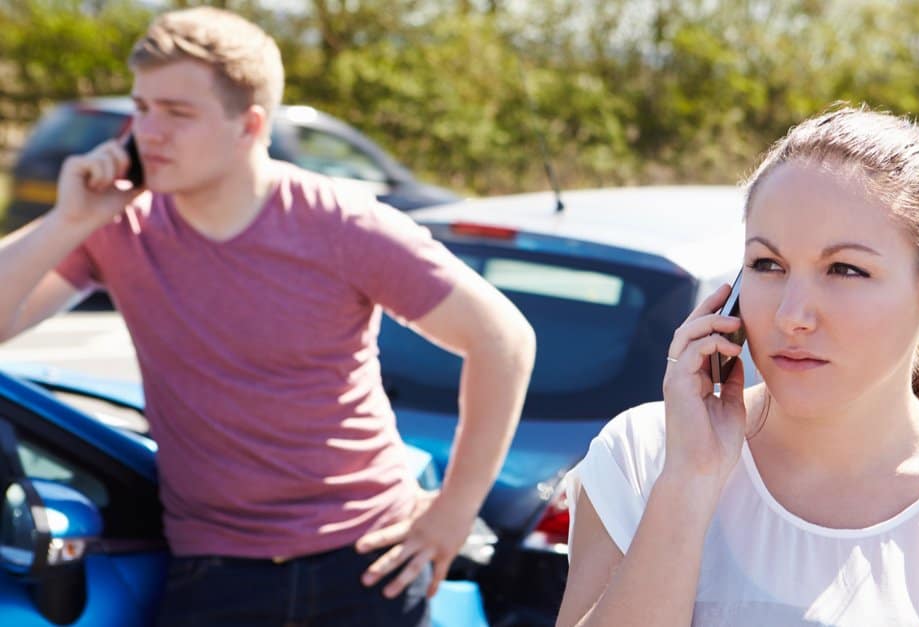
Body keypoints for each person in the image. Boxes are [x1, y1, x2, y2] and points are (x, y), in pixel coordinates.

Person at [0, 7, 535, 626]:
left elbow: (503, 340)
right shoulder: (121, 224)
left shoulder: (339, 223)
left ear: (249, 126)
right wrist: (69, 221)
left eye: (177, 113)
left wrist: (455, 511)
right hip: (217, 572)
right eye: (142, 108)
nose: (148, 132)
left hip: (366, 563)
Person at [556, 107, 919, 626]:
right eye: (768, 264)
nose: (793, 315)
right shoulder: (645, 456)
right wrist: (689, 482)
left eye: (845, 270)